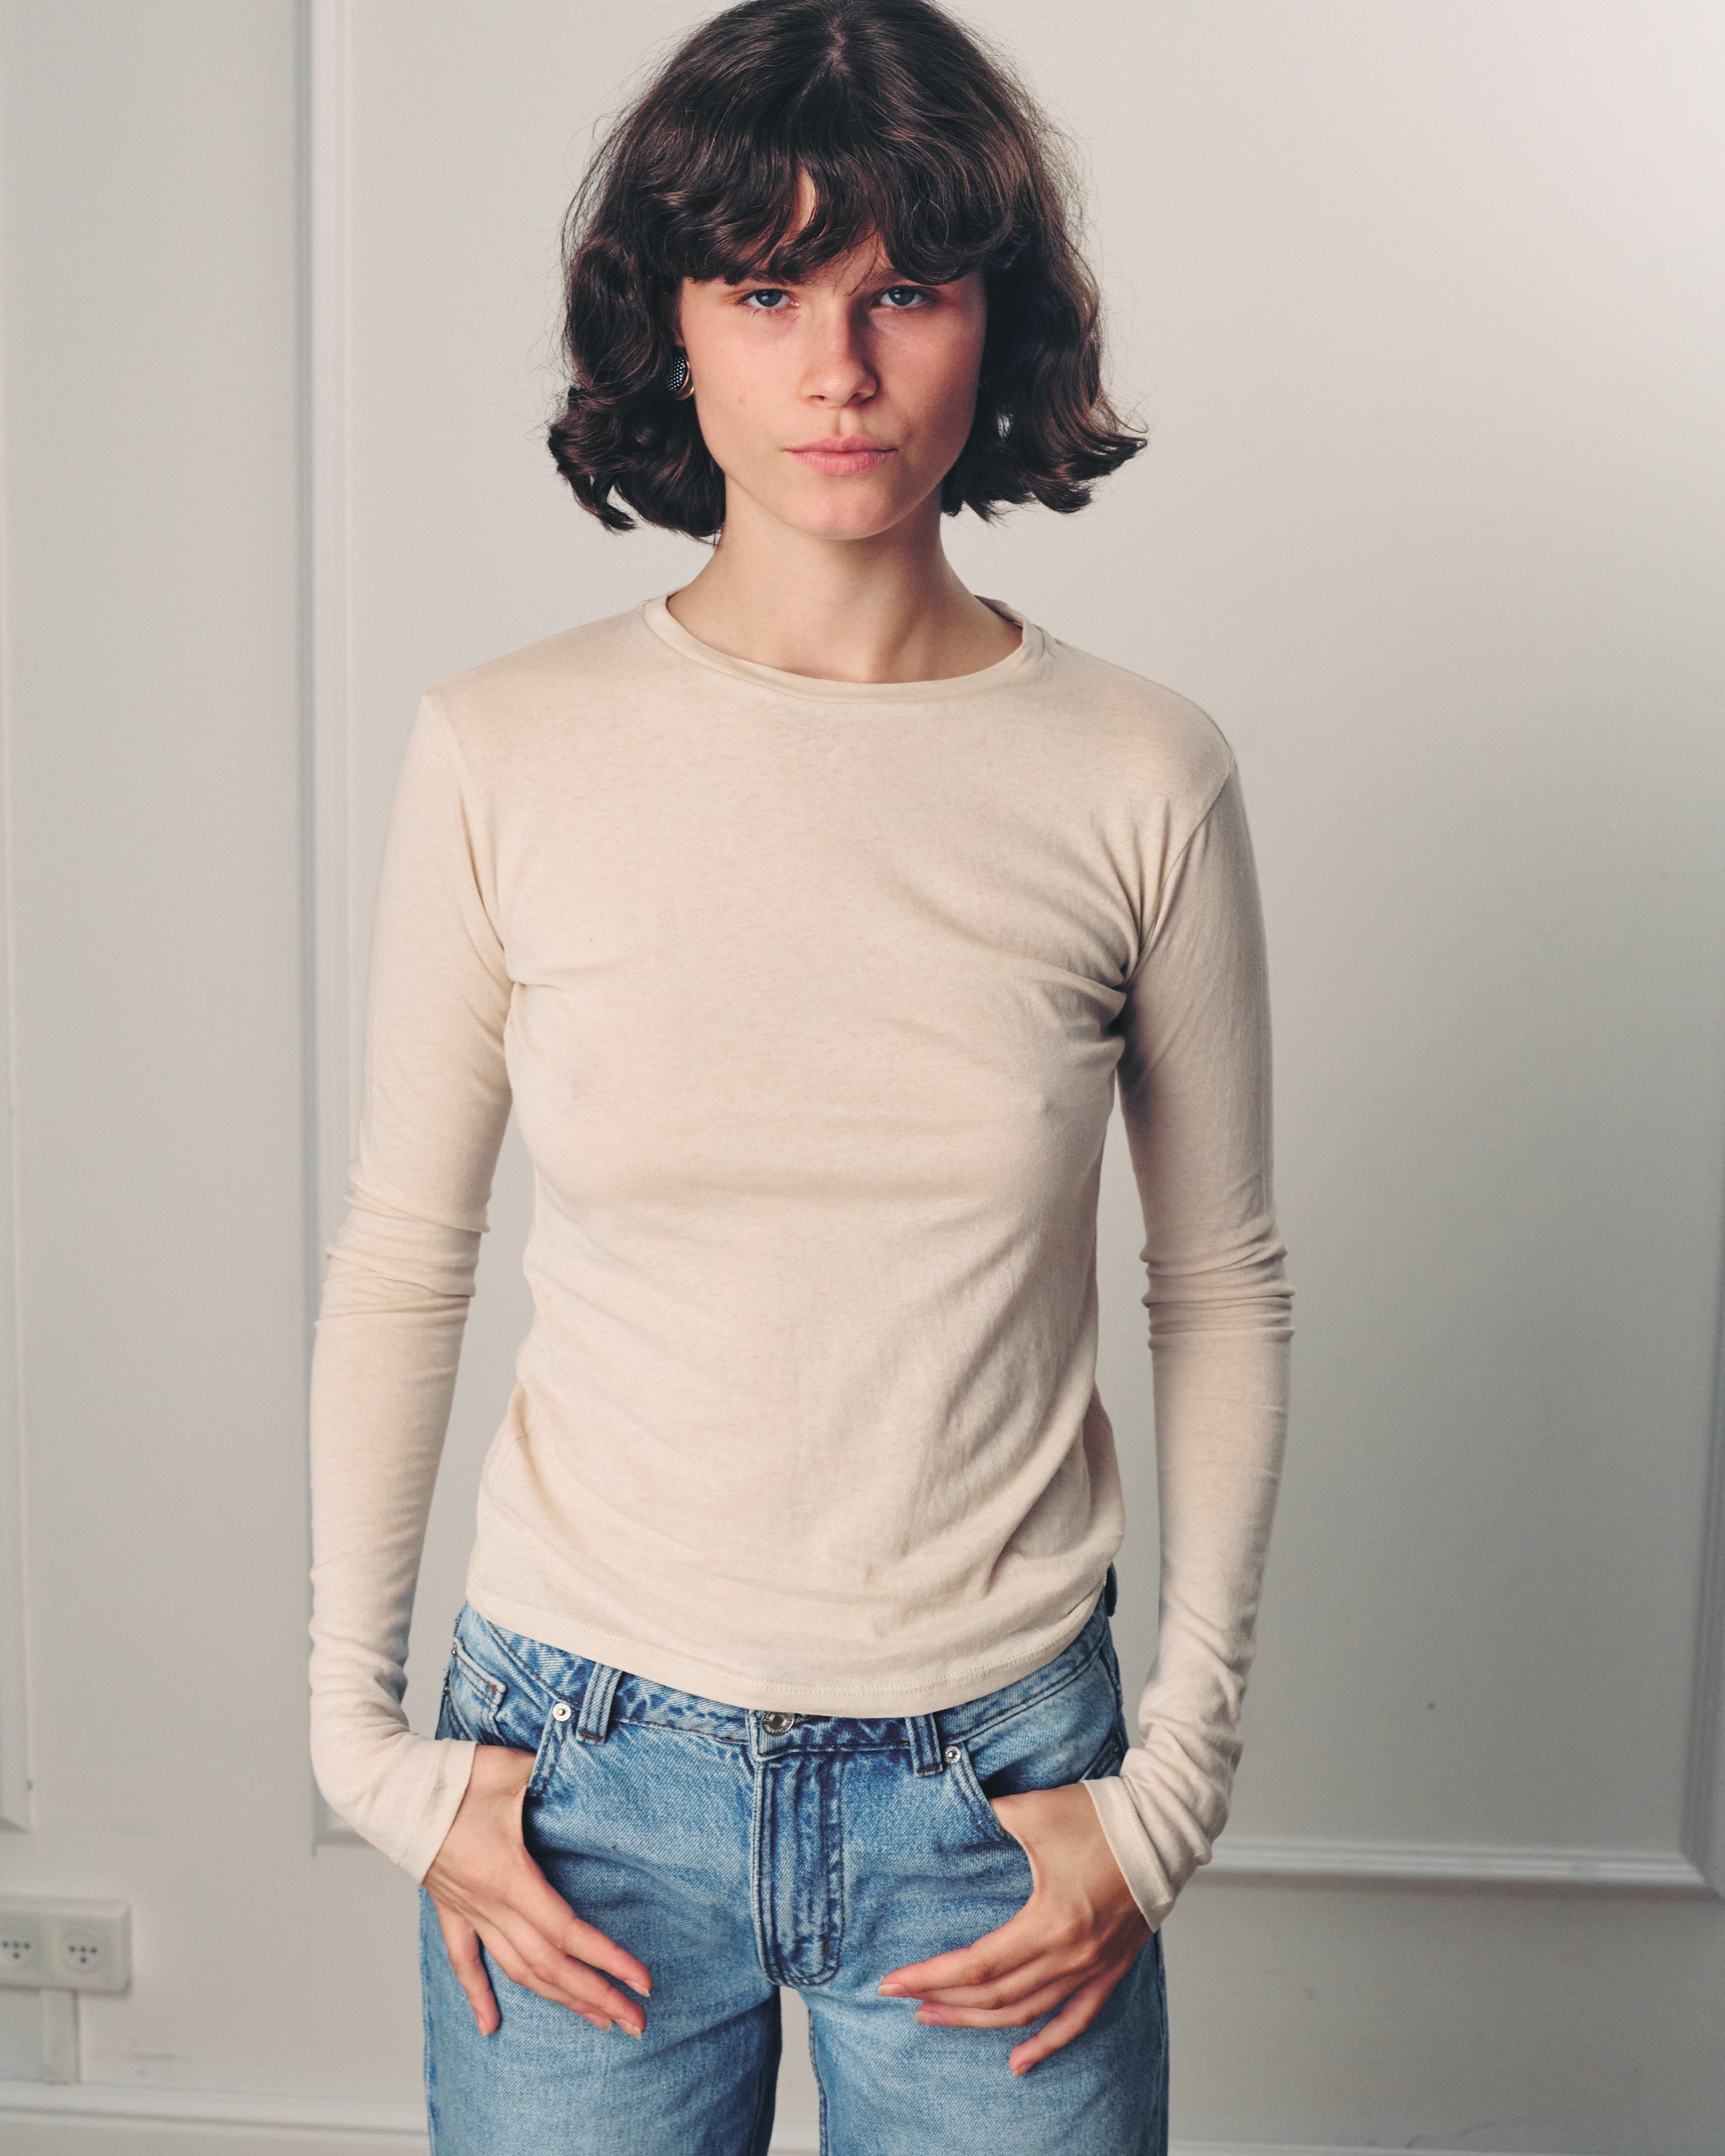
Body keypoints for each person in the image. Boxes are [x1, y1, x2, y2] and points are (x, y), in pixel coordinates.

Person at [306, 1, 1294, 2148]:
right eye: (766, 292)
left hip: (996, 1792)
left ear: (994, 323)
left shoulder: (1141, 772)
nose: (838, 368)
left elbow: (1219, 1285)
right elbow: (401, 1255)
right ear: (670, 325)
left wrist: (1175, 1789)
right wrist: (358, 1752)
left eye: (904, 291)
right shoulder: (503, 751)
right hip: (575, 1784)